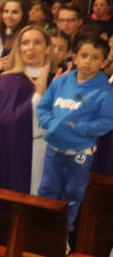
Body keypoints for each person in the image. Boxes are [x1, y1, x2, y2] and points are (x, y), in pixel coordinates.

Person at [37, 34, 113, 233]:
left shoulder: (104, 91)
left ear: (104, 62)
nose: (88, 61)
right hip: (54, 148)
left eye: (95, 57)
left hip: (79, 152)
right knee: (47, 191)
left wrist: (80, 128)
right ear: (75, 57)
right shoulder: (61, 82)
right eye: (84, 55)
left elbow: (107, 122)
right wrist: (50, 123)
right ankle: (41, 233)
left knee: (72, 194)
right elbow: (43, 106)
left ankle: (62, 237)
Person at [0, 25, 52, 193]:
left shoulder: (57, 79)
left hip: (51, 150)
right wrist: (38, 95)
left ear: (47, 47)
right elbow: (7, 122)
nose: (30, 48)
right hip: (18, 151)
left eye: (37, 42)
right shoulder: (8, 81)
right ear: (19, 48)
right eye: (25, 43)